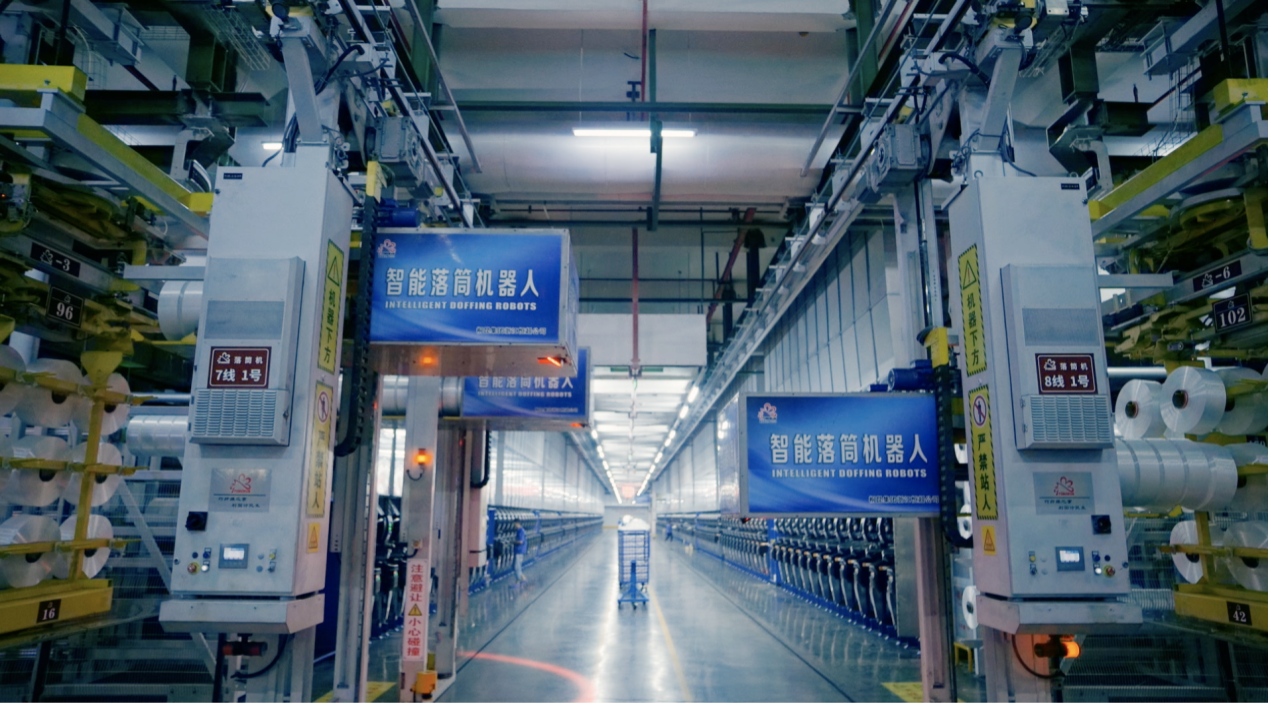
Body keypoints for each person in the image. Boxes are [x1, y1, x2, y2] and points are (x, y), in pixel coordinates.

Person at [512, 519, 528, 584]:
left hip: (519, 551)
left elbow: (521, 541)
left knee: (516, 566)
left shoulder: (520, 531)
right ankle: (523, 578)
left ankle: (518, 581)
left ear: (517, 523)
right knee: (516, 566)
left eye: (514, 524)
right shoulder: (521, 530)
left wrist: (513, 542)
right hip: (520, 551)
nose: (514, 526)